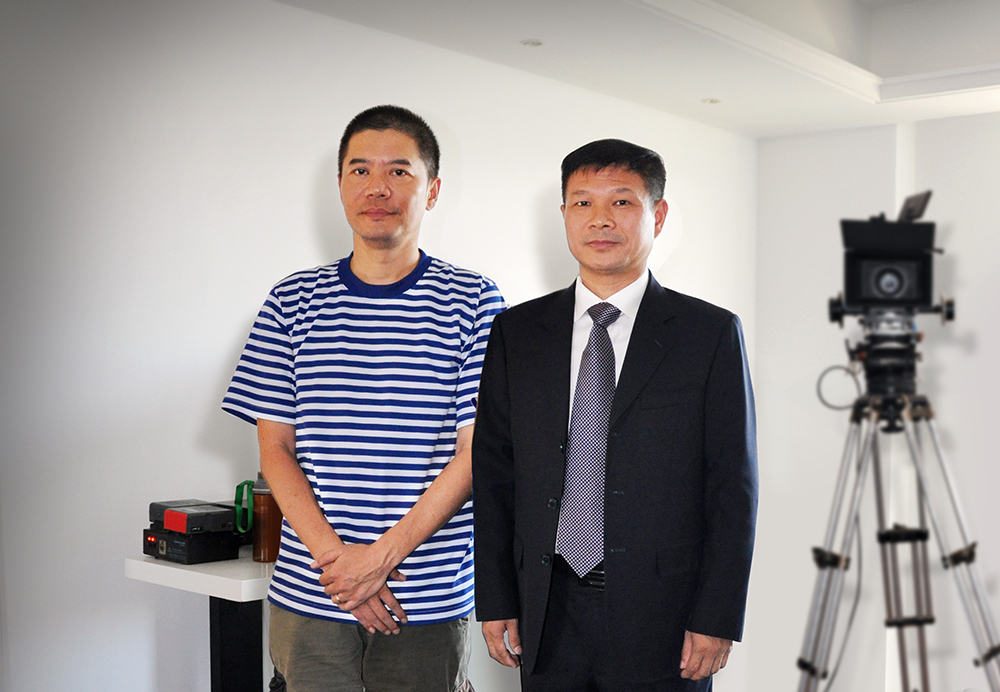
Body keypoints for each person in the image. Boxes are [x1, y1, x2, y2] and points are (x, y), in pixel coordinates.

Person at [223, 105, 504, 692]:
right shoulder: (290, 301)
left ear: (432, 190)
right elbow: (275, 451)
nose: (378, 187)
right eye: (360, 170)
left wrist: (379, 560)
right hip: (312, 593)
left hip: (426, 597)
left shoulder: (476, 301)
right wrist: (340, 565)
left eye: (399, 171)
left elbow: (475, 454)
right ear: (341, 184)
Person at [471, 139, 757, 691]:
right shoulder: (517, 332)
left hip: (664, 616)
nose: (600, 219)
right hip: (546, 607)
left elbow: (733, 487)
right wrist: (497, 598)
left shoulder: (709, 334)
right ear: (564, 215)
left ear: (658, 215)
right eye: (583, 203)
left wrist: (717, 616)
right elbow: (495, 472)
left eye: (622, 202)